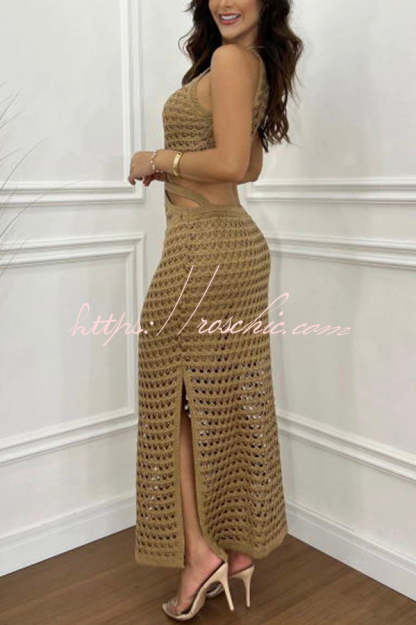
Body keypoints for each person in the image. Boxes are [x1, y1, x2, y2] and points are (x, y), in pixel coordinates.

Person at [128, 0, 303, 620]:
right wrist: (179, 168)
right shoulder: (249, 63)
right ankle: (234, 547)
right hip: (230, 248)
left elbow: (230, 165)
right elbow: (247, 164)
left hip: (204, 252)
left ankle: (201, 554)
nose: (226, 2)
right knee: (215, 398)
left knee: (171, 399)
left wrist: (159, 160)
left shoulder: (232, 60)